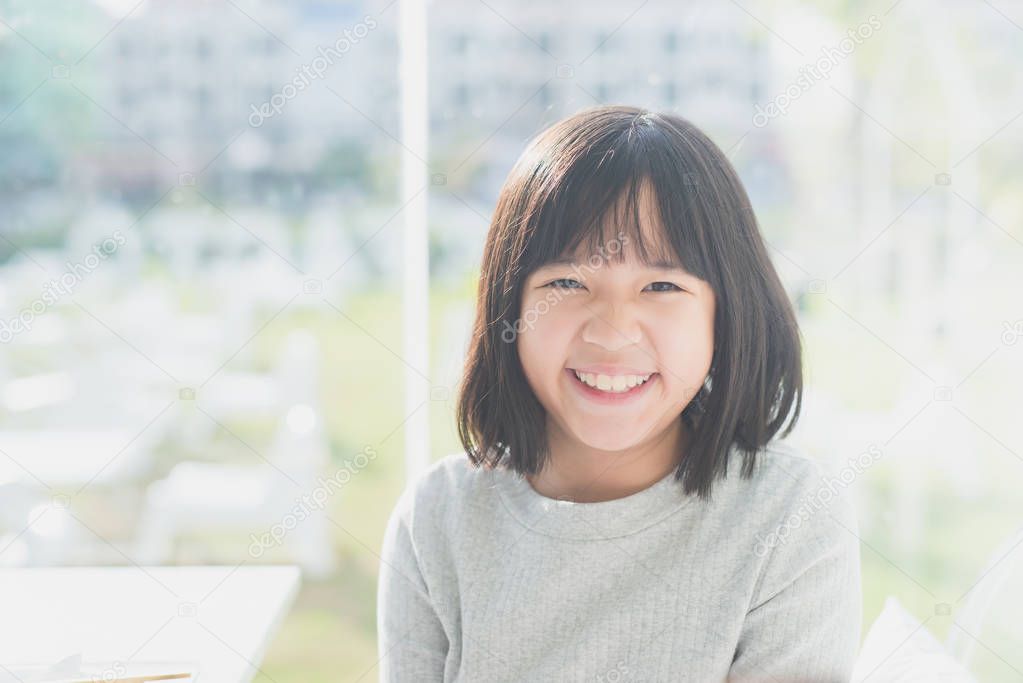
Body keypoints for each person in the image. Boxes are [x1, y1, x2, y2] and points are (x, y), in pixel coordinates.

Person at [376, 105, 862, 682]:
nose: (611, 331)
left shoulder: (788, 516)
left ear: (726, 314)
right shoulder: (437, 519)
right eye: (566, 283)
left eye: (661, 285)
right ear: (510, 307)